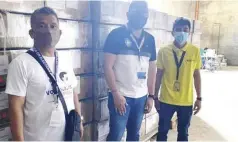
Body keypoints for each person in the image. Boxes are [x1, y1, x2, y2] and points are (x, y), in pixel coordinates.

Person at [5, 7, 83, 141]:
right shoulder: (21, 64)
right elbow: (15, 107)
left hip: (68, 136)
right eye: (42, 26)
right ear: (32, 33)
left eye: (53, 26)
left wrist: (79, 121)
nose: (48, 31)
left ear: (60, 32)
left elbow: (73, 92)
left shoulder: (65, 60)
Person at [103, 1, 157, 141]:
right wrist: (115, 93)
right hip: (121, 96)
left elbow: (152, 69)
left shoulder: (150, 40)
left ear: (147, 16)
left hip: (141, 97)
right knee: (116, 135)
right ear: (128, 14)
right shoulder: (116, 35)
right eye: (136, 12)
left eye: (143, 13)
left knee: (134, 136)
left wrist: (151, 96)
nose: (140, 16)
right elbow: (107, 66)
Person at [154, 17, 202, 141]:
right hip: (166, 100)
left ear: (189, 32)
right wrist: (154, 97)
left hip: (186, 101)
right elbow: (158, 75)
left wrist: (199, 98)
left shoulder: (194, 51)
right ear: (173, 32)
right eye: (178, 30)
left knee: (183, 133)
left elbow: (196, 75)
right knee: (162, 132)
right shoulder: (164, 51)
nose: (182, 33)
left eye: (185, 30)